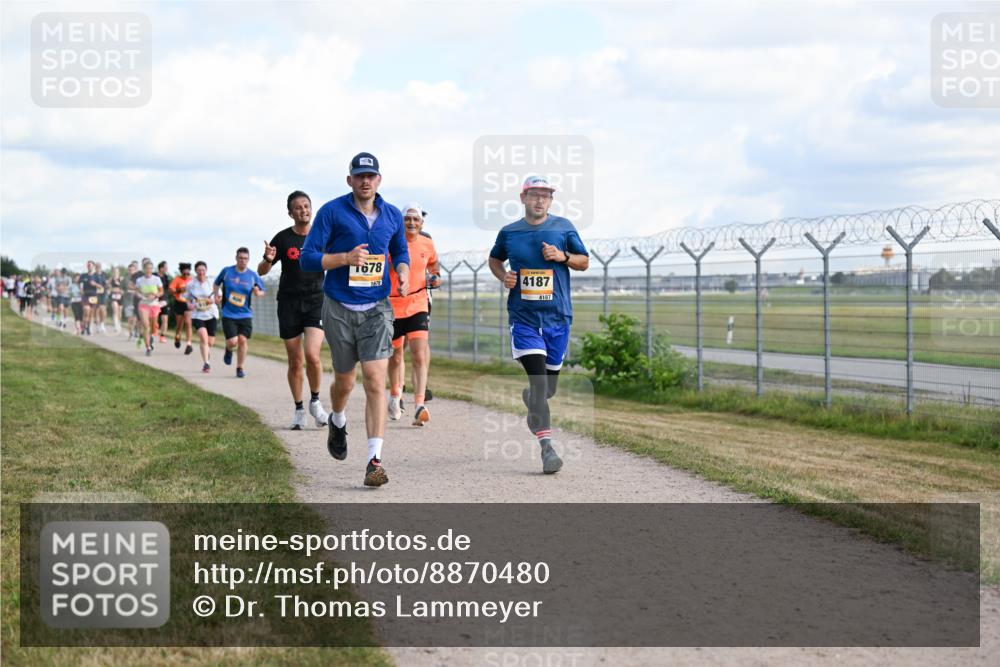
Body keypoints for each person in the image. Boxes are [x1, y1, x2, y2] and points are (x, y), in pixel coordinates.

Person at [301, 151, 409, 487]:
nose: (365, 181)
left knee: (376, 381)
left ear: (379, 180)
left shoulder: (391, 215)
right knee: (345, 382)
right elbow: (308, 259)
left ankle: (374, 461)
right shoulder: (332, 212)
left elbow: (400, 251)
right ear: (350, 180)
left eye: (371, 176)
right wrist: (344, 258)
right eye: (359, 176)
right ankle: (337, 419)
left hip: (377, 307)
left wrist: (403, 271)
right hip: (339, 308)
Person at [488, 175, 590, 474]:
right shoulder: (510, 232)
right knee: (539, 382)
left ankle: (533, 399)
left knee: (547, 389)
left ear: (551, 200)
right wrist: (503, 276)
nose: (539, 200)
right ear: (523, 198)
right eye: (534, 194)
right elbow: (494, 260)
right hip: (524, 318)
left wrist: (563, 256)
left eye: (545, 195)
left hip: (558, 317)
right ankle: (547, 449)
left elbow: (584, 261)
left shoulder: (563, 227)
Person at [259, 190, 330, 430]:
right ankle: (299, 408)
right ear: (290, 213)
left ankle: (316, 401)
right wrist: (268, 259)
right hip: (289, 303)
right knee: (295, 361)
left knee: (312, 355)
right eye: (298, 207)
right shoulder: (283, 238)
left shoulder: (321, 236)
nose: (303, 210)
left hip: (316, 300)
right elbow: (261, 271)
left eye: (307, 206)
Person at [387, 204, 441, 426]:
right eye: (407, 219)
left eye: (415, 220)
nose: (411, 223)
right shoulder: (391, 242)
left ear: (421, 223)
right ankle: (395, 393)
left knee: (419, 353)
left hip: (418, 303)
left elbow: (434, 266)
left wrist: (435, 278)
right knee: (396, 355)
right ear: (401, 222)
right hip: (392, 305)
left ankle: (419, 404)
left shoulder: (427, 243)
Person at [213, 247, 266, 378]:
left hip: (245, 314)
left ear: (248, 260)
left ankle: (240, 368)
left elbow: (262, 290)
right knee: (232, 341)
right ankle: (228, 349)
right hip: (228, 313)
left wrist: (257, 292)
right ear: (236, 258)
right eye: (240, 258)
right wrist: (216, 295)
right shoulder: (227, 272)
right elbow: (216, 283)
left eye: (245, 258)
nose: (243, 261)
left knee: (242, 340)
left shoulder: (252, 275)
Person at [184, 261, 219, 373]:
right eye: (199, 270)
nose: (201, 272)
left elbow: (219, 297)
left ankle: (207, 354)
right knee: (203, 337)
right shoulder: (191, 284)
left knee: (210, 342)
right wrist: (189, 304)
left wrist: (212, 300)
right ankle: (206, 363)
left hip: (211, 313)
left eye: (203, 270)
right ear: (195, 271)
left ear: (206, 270)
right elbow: (187, 298)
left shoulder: (212, 282)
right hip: (197, 314)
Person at [135, 260, 164, 356]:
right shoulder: (139, 280)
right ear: (143, 269)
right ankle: (148, 347)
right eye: (147, 268)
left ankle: (151, 336)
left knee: (153, 325)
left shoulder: (156, 279)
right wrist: (141, 296)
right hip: (143, 304)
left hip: (154, 304)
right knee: (146, 325)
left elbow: (161, 292)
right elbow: (137, 292)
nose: (149, 270)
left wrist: (155, 295)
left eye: (151, 268)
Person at [169, 263, 194, 354]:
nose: (186, 276)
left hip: (188, 304)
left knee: (188, 323)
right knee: (179, 325)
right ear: (181, 272)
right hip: (179, 303)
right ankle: (177, 337)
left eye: (188, 274)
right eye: (184, 274)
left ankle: (189, 344)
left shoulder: (192, 280)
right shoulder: (177, 279)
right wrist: (179, 290)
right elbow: (171, 291)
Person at [156, 261, 171, 343]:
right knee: (154, 319)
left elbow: (168, 289)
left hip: (164, 301)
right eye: (165, 267)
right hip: (154, 301)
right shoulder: (154, 276)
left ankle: (162, 336)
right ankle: (153, 331)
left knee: (165, 319)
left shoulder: (166, 277)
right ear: (161, 268)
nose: (167, 269)